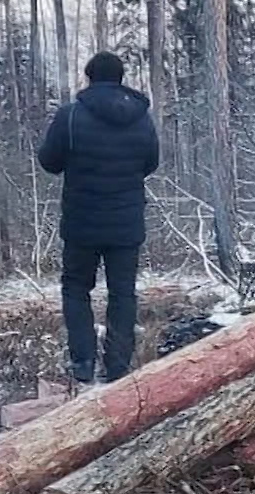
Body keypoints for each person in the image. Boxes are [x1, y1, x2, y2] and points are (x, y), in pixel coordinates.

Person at [38, 51, 162, 384]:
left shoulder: (71, 117)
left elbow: (49, 162)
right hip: (126, 223)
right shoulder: (142, 118)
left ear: (89, 77)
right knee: (123, 293)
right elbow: (151, 163)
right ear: (121, 78)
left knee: (76, 289)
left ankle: (83, 362)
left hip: (82, 223)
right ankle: (118, 366)